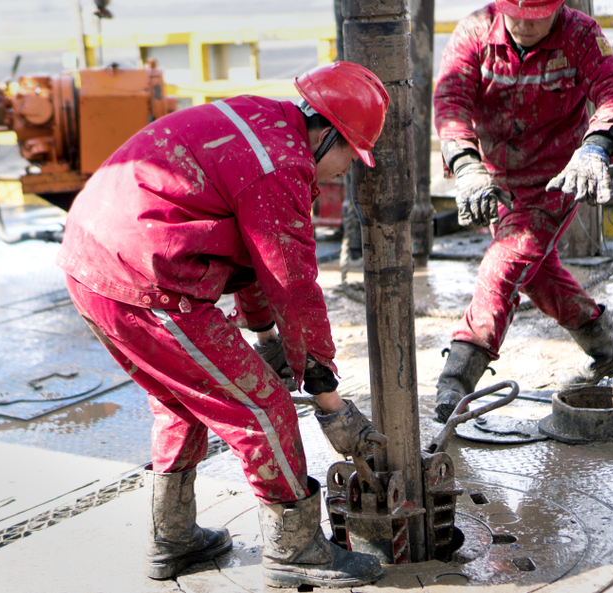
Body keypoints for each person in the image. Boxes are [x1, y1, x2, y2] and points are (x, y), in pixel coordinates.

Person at [56, 61, 389, 588]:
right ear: (325, 133)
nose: (349, 170)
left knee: (181, 400)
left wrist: (266, 339)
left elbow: (256, 259)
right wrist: (329, 400)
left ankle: (173, 539)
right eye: (351, 153)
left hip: (92, 261)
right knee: (262, 406)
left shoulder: (264, 125)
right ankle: (295, 550)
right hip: (146, 277)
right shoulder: (280, 167)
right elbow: (294, 286)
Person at [432, 0, 613, 422]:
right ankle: (603, 348)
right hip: (494, 185)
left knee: (502, 267)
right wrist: (466, 165)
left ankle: (458, 375)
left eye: (536, 15)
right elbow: (451, 102)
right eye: (515, 14)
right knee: (535, 275)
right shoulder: (473, 33)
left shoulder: (581, 36)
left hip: (558, 179)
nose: (524, 24)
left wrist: (595, 149)